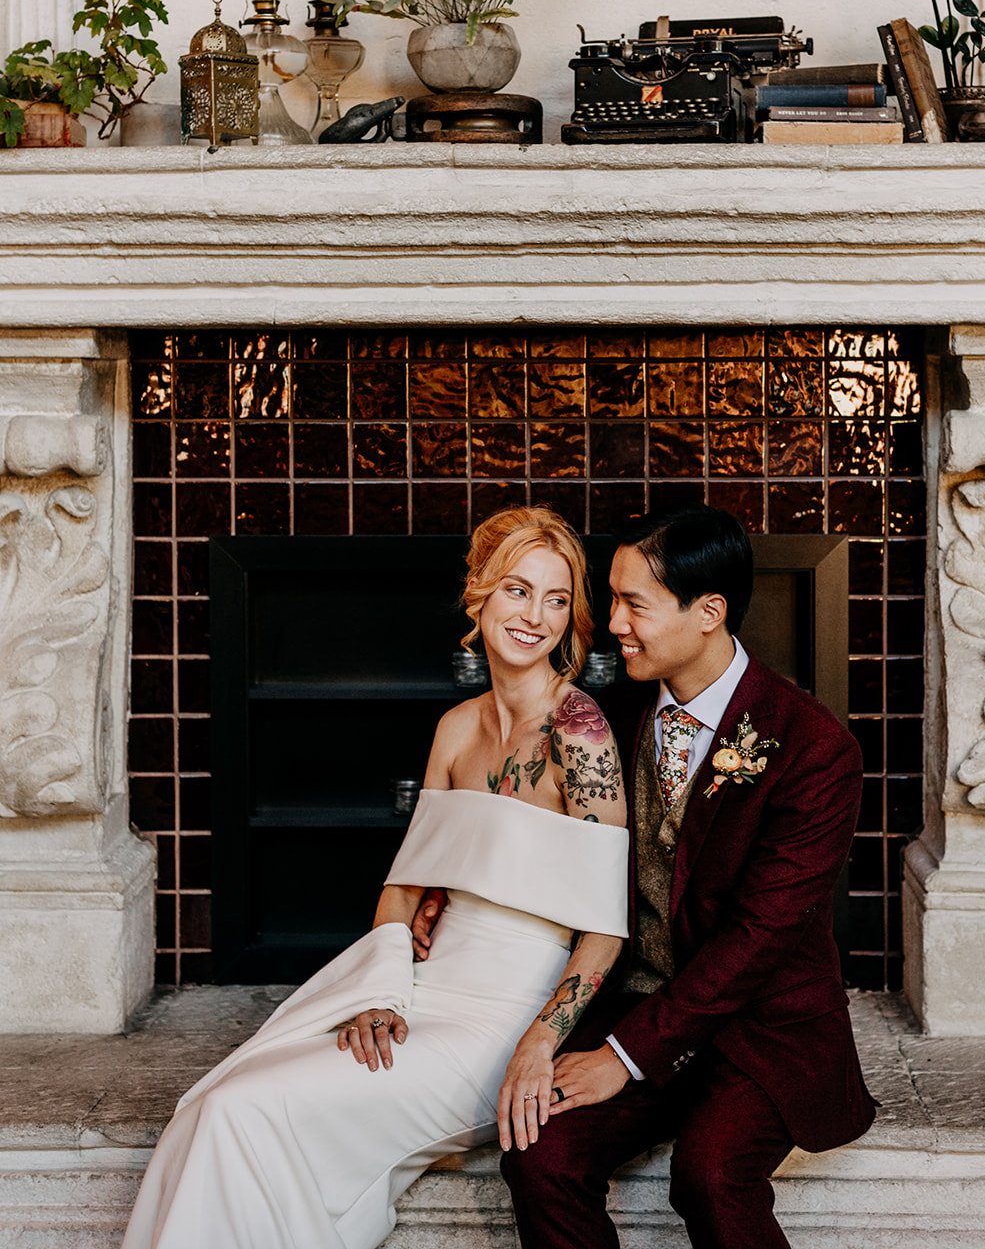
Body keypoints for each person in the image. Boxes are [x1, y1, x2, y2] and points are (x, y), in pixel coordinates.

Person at [122, 506, 628, 1249]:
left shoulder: (578, 729)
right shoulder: (456, 730)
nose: (535, 617)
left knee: (244, 1110)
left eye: (556, 600)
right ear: (479, 594)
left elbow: (605, 929)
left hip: (500, 1020)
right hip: (419, 997)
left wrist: (538, 1043)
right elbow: (403, 887)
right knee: (216, 1100)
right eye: (518, 591)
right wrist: (377, 994)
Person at [490, 504, 877, 1249]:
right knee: (539, 1154)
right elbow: (550, 835)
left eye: (634, 604)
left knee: (709, 1173)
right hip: (638, 998)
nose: (613, 625)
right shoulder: (614, 715)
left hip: (761, 1026)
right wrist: (444, 896)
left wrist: (622, 1058)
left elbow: (760, 937)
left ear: (708, 612)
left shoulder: (812, 746)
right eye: (613, 601)